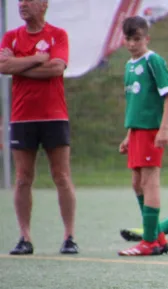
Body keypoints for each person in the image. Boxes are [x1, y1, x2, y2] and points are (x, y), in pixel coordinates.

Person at [1, 0, 78, 255]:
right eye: (19, 1)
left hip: (54, 116)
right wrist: (36, 59)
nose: (22, 5)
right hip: (22, 117)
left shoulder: (57, 35)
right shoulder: (11, 37)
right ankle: (25, 237)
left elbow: (56, 68)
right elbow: (2, 66)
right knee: (23, 178)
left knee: (62, 177)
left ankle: (69, 237)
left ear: (43, 4)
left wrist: (19, 66)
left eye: (28, 0)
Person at [117, 16, 168, 256]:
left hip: (152, 131)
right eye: (129, 39)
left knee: (150, 182)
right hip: (137, 132)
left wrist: (164, 128)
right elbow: (136, 104)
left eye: (137, 39)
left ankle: (149, 241)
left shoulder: (153, 60)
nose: (132, 44)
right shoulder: (129, 66)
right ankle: (159, 238)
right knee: (137, 183)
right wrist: (128, 135)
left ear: (146, 38)